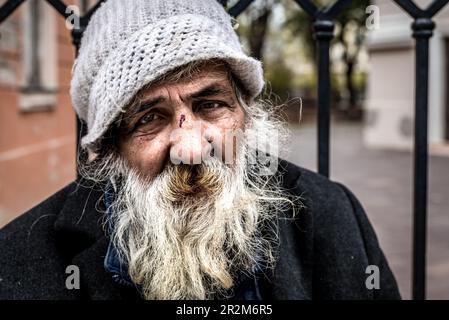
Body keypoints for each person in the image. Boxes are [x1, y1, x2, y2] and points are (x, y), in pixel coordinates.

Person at [0, 0, 400, 300]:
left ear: (246, 112)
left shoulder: (332, 216)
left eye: (211, 105)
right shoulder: (19, 262)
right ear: (111, 151)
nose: (191, 149)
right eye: (149, 119)